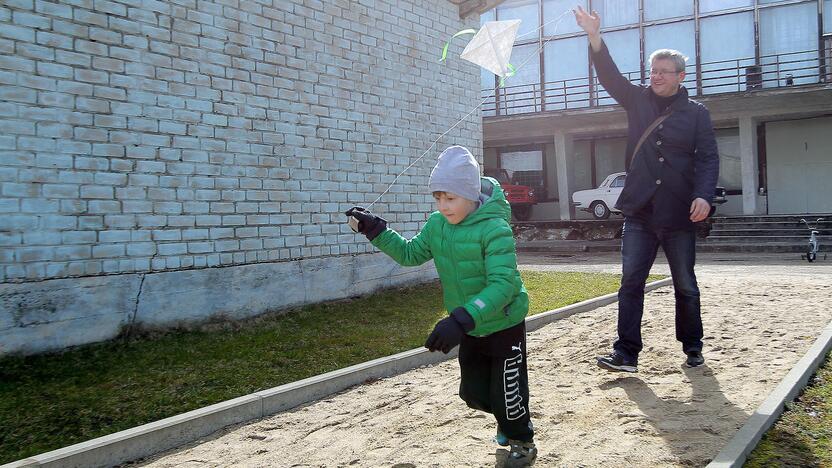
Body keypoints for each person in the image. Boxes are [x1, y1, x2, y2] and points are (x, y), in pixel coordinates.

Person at [346, 145, 537, 467]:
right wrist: (375, 231)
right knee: (473, 394)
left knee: (508, 392)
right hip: (470, 326)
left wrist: (462, 319)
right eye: (438, 197)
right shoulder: (438, 224)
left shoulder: (495, 228)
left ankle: (521, 441)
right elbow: (411, 254)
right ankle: (505, 419)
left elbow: (504, 285)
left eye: (451, 198)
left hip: (503, 323)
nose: (443, 205)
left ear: (471, 195)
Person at [573, 6, 720, 373]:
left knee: (685, 284)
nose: (654, 76)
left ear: (680, 76)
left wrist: (703, 194)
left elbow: (708, 159)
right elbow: (609, 76)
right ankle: (626, 353)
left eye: (662, 71)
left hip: (678, 213)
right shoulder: (637, 99)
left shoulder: (697, 113)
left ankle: (692, 346)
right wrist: (594, 36)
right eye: (652, 70)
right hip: (639, 212)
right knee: (630, 283)